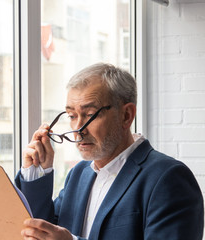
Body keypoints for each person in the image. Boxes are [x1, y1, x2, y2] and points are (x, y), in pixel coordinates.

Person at [15, 63, 204, 240]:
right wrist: (36, 172)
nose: (78, 129)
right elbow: (40, 232)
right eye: (72, 116)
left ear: (126, 115)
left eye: (89, 115)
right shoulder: (79, 174)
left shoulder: (168, 178)